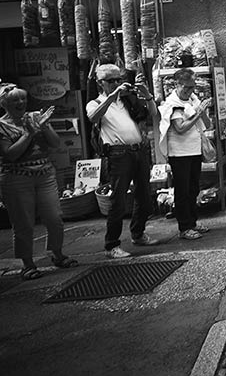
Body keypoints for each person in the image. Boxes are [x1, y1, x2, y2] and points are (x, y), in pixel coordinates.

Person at [0, 83, 77, 279]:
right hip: (16, 178)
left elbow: (55, 143)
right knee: (23, 223)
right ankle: (27, 263)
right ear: (4, 104)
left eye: (23, 98)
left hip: (45, 174)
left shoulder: (35, 117)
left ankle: (56, 253)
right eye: (15, 100)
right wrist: (28, 134)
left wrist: (45, 126)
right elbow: (9, 154)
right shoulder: (1, 126)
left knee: (54, 217)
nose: (20, 102)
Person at [86, 64, 159, 259]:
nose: (117, 83)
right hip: (118, 155)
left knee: (144, 195)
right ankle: (112, 245)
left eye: (119, 79)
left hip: (139, 150)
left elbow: (152, 113)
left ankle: (138, 233)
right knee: (118, 201)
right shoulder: (96, 102)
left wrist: (147, 95)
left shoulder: (128, 100)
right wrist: (112, 96)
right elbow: (93, 117)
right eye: (111, 80)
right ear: (100, 83)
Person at [158, 68, 213, 240]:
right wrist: (198, 113)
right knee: (183, 191)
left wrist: (202, 111)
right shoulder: (172, 104)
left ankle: (193, 222)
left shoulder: (193, 100)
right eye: (187, 87)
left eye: (192, 87)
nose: (190, 91)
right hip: (179, 153)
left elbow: (208, 124)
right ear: (177, 84)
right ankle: (184, 227)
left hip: (194, 150)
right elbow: (180, 128)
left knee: (193, 188)